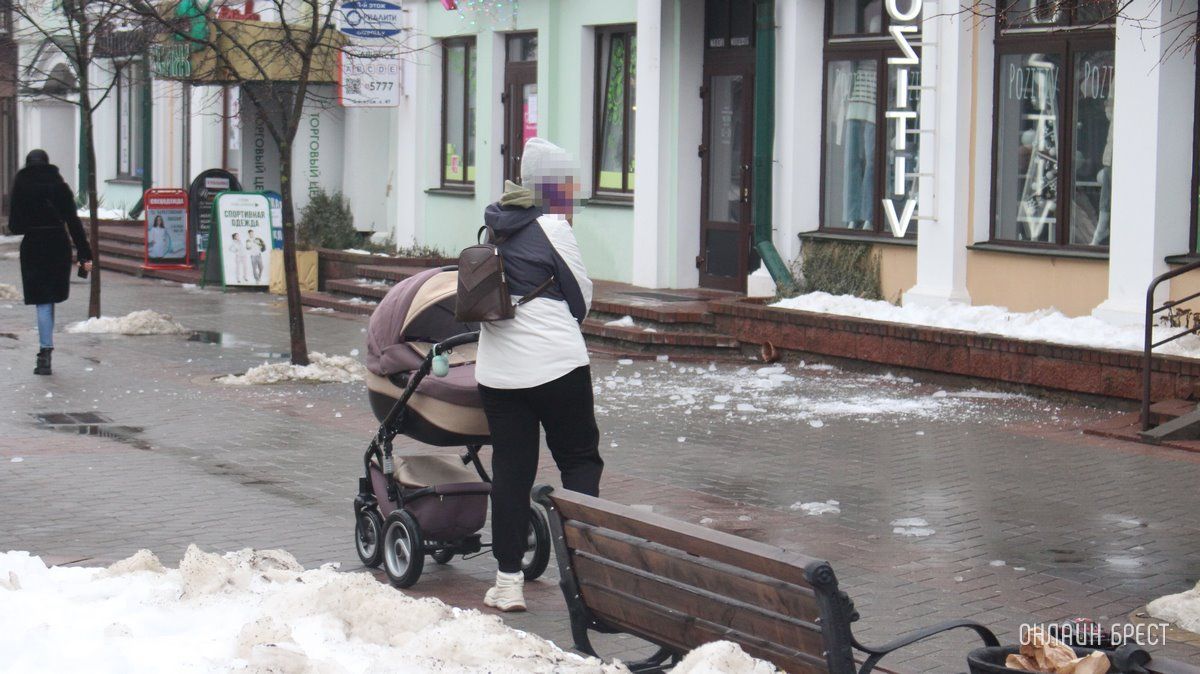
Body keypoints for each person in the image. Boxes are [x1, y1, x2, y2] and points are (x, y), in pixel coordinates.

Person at [475, 137, 602, 612]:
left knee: (511, 472)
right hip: (556, 366)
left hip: (499, 372)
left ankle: (508, 582)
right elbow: (581, 297)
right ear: (553, 187)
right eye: (568, 186)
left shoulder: (495, 226)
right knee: (579, 462)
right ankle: (586, 577)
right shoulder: (553, 226)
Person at [7, 149, 92, 376]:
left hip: (33, 245)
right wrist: (85, 253)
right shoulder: (59, 185)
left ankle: (45, 352)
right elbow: (73, 221)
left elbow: (14, 226)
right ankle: (47, 347)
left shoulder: (21, 187)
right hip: (57, 244)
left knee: (42, 300)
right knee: (50, 297)